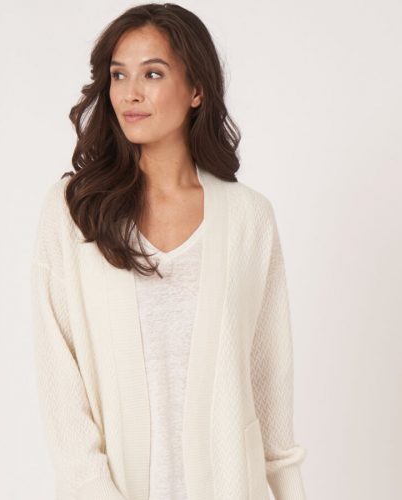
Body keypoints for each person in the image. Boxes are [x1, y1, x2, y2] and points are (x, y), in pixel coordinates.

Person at [30, 3, 307, 500]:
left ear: (196, 89)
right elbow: (61, 388)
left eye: (152, 74)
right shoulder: (75, 211)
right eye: (118, 75)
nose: (129, 93)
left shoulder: (249, 218)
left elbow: (270, 385)